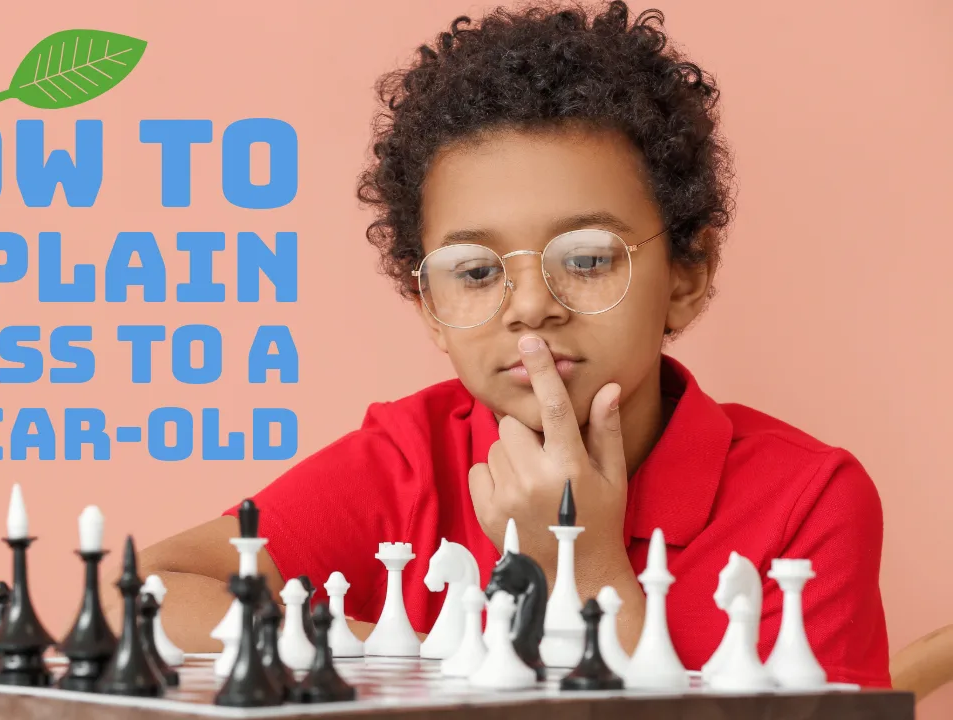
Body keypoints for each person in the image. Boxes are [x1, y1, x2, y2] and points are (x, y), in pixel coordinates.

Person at [128, 0, 891, 687]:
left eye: (587, 259)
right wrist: (443, 656)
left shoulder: (807, 502)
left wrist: (582, 560)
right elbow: (144, 593)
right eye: (475, 271)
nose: (530, 307)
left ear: (687, 275)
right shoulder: (410, 460)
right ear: (430, 307)